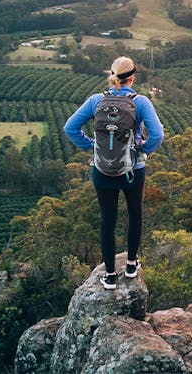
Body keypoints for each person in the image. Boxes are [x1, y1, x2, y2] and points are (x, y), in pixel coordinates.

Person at [64, 56, 164, 289]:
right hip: (132, 170)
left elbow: (70, 128)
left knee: (107, 220)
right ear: (133, 77)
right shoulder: (141, 103)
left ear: (111, 75)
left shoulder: (96, 101)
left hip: (102, 171)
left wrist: (92, 147)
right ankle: (131, 266)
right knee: (135, 214)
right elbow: (157, 135)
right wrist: (142, 150)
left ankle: (109, 274)